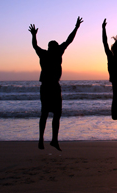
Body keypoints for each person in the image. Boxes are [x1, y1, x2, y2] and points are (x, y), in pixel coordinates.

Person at [28, 16, 83, 151]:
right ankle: (51, 139)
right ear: (54, 47)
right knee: (53, 114)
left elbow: (35, 45)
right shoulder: (56, 53)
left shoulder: (44, 54)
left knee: (46, 113)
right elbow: (68, 40)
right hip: (51, 86)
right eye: (56, 46)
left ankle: (46, 139)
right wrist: (76, 27)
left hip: (47, 86)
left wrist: (34, 35)